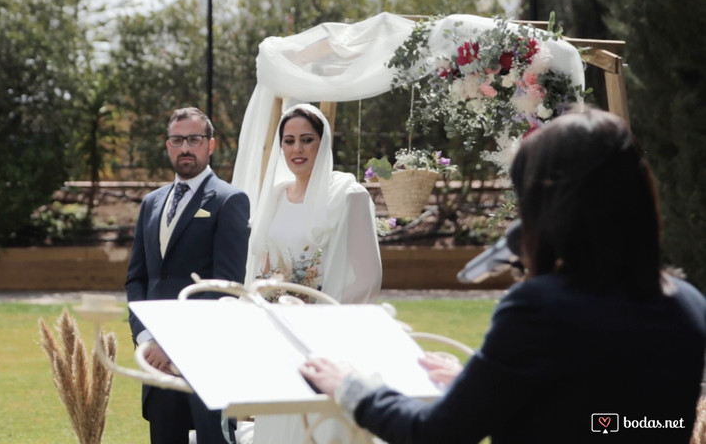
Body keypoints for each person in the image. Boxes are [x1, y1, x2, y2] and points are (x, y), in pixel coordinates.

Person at [300, 108, 706, 443]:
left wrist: (352, 387)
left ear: (549, 207)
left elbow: (435, 432)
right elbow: (619, 419)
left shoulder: (540, 309)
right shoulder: (688, 306)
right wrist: (490, 387)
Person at [247, 103, 382, 443]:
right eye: (289, 140)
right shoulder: (276, 196)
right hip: (279, 331)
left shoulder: (349, 195)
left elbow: (368, 277)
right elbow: (265, 266)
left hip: (329, 336)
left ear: (323, 144)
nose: (297, 149)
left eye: (307, 139)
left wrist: (322, 322)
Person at [125, 107, 250, 444]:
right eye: (177, 140)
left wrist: (172, 342)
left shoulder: (229, 200)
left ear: (211, 145)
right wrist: (148, 339)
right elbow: (137, 280)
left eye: (194, 139)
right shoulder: (151, 203)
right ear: (167, 145)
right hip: (157, 363)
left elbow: (226, 287)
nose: (185, 148)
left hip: (207, 359)